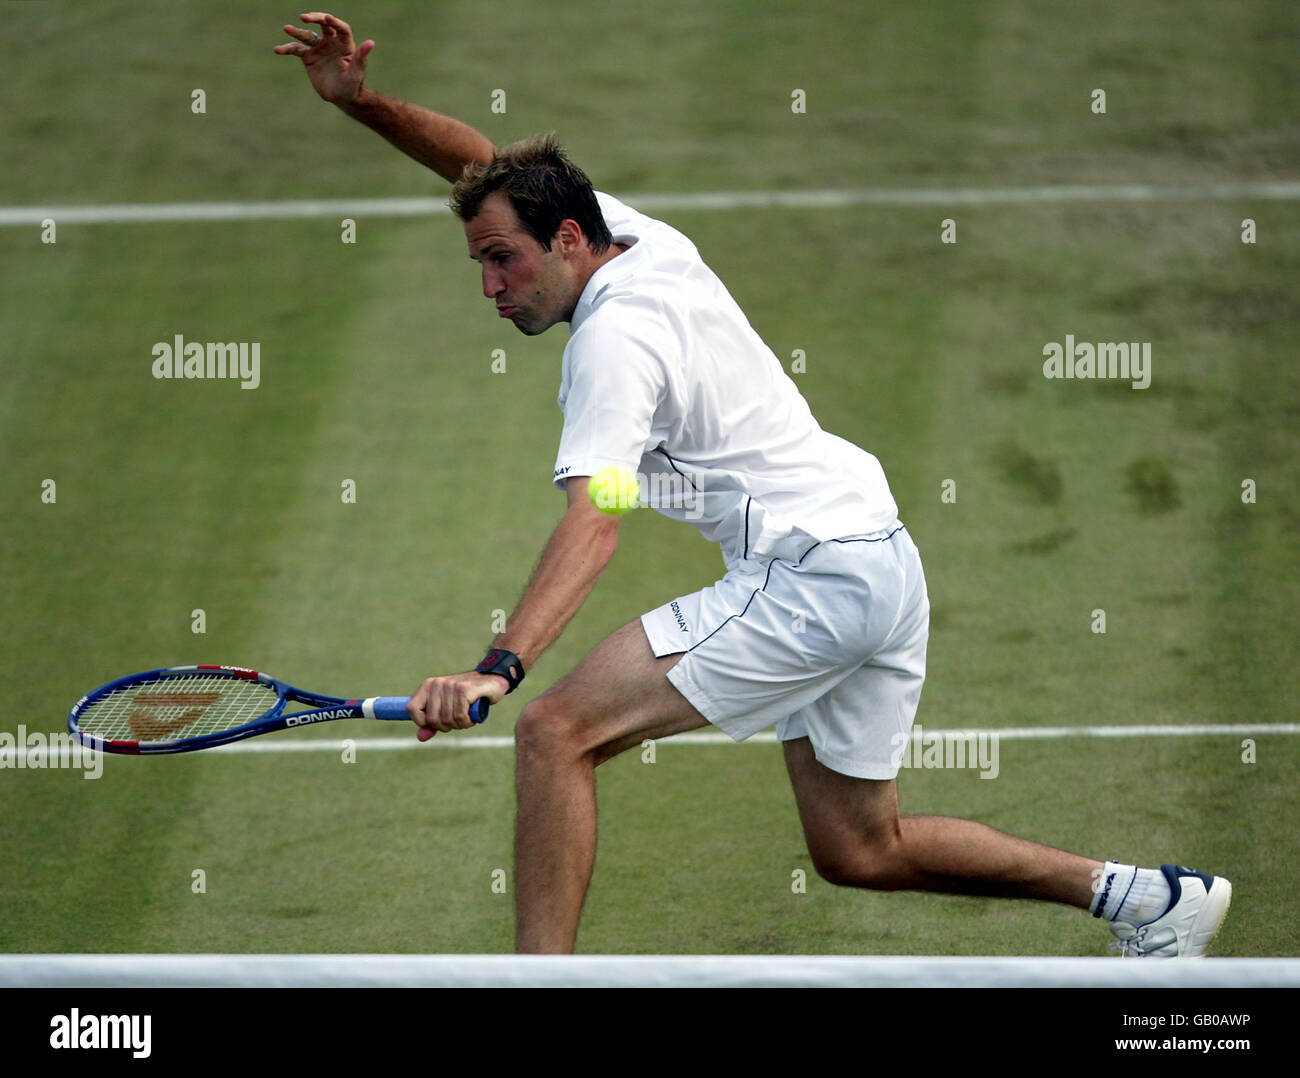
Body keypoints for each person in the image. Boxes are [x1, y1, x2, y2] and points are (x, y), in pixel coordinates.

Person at [275, 12, 1232, 958]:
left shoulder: (614, 343)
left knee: (552, 736)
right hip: (881, 560)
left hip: (810, 577)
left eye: (501, 260)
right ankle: (1147, 901)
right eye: (480, 261)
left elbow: (598, 523)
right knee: (860, 849)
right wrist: (363, 106)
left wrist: (500, 664)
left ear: (567, 240)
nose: (490, 286)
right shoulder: (638, 239)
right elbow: (482, 166)